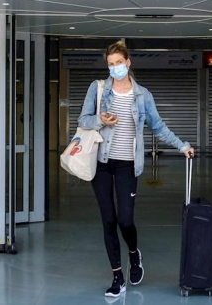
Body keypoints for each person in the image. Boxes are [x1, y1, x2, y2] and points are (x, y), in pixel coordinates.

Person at [78, 40, 194, 298]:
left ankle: (134, 253)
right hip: (102, 163)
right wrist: (100, 119)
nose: (115, 68)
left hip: (128, 164)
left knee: (125, 220)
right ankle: (118, 277)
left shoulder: (142, 95)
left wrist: (181, 145)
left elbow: (158, 126)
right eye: (110, 64)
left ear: (128, 63)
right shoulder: (97, 89)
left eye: (119, 63)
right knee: (108, 220)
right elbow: (82, 119)